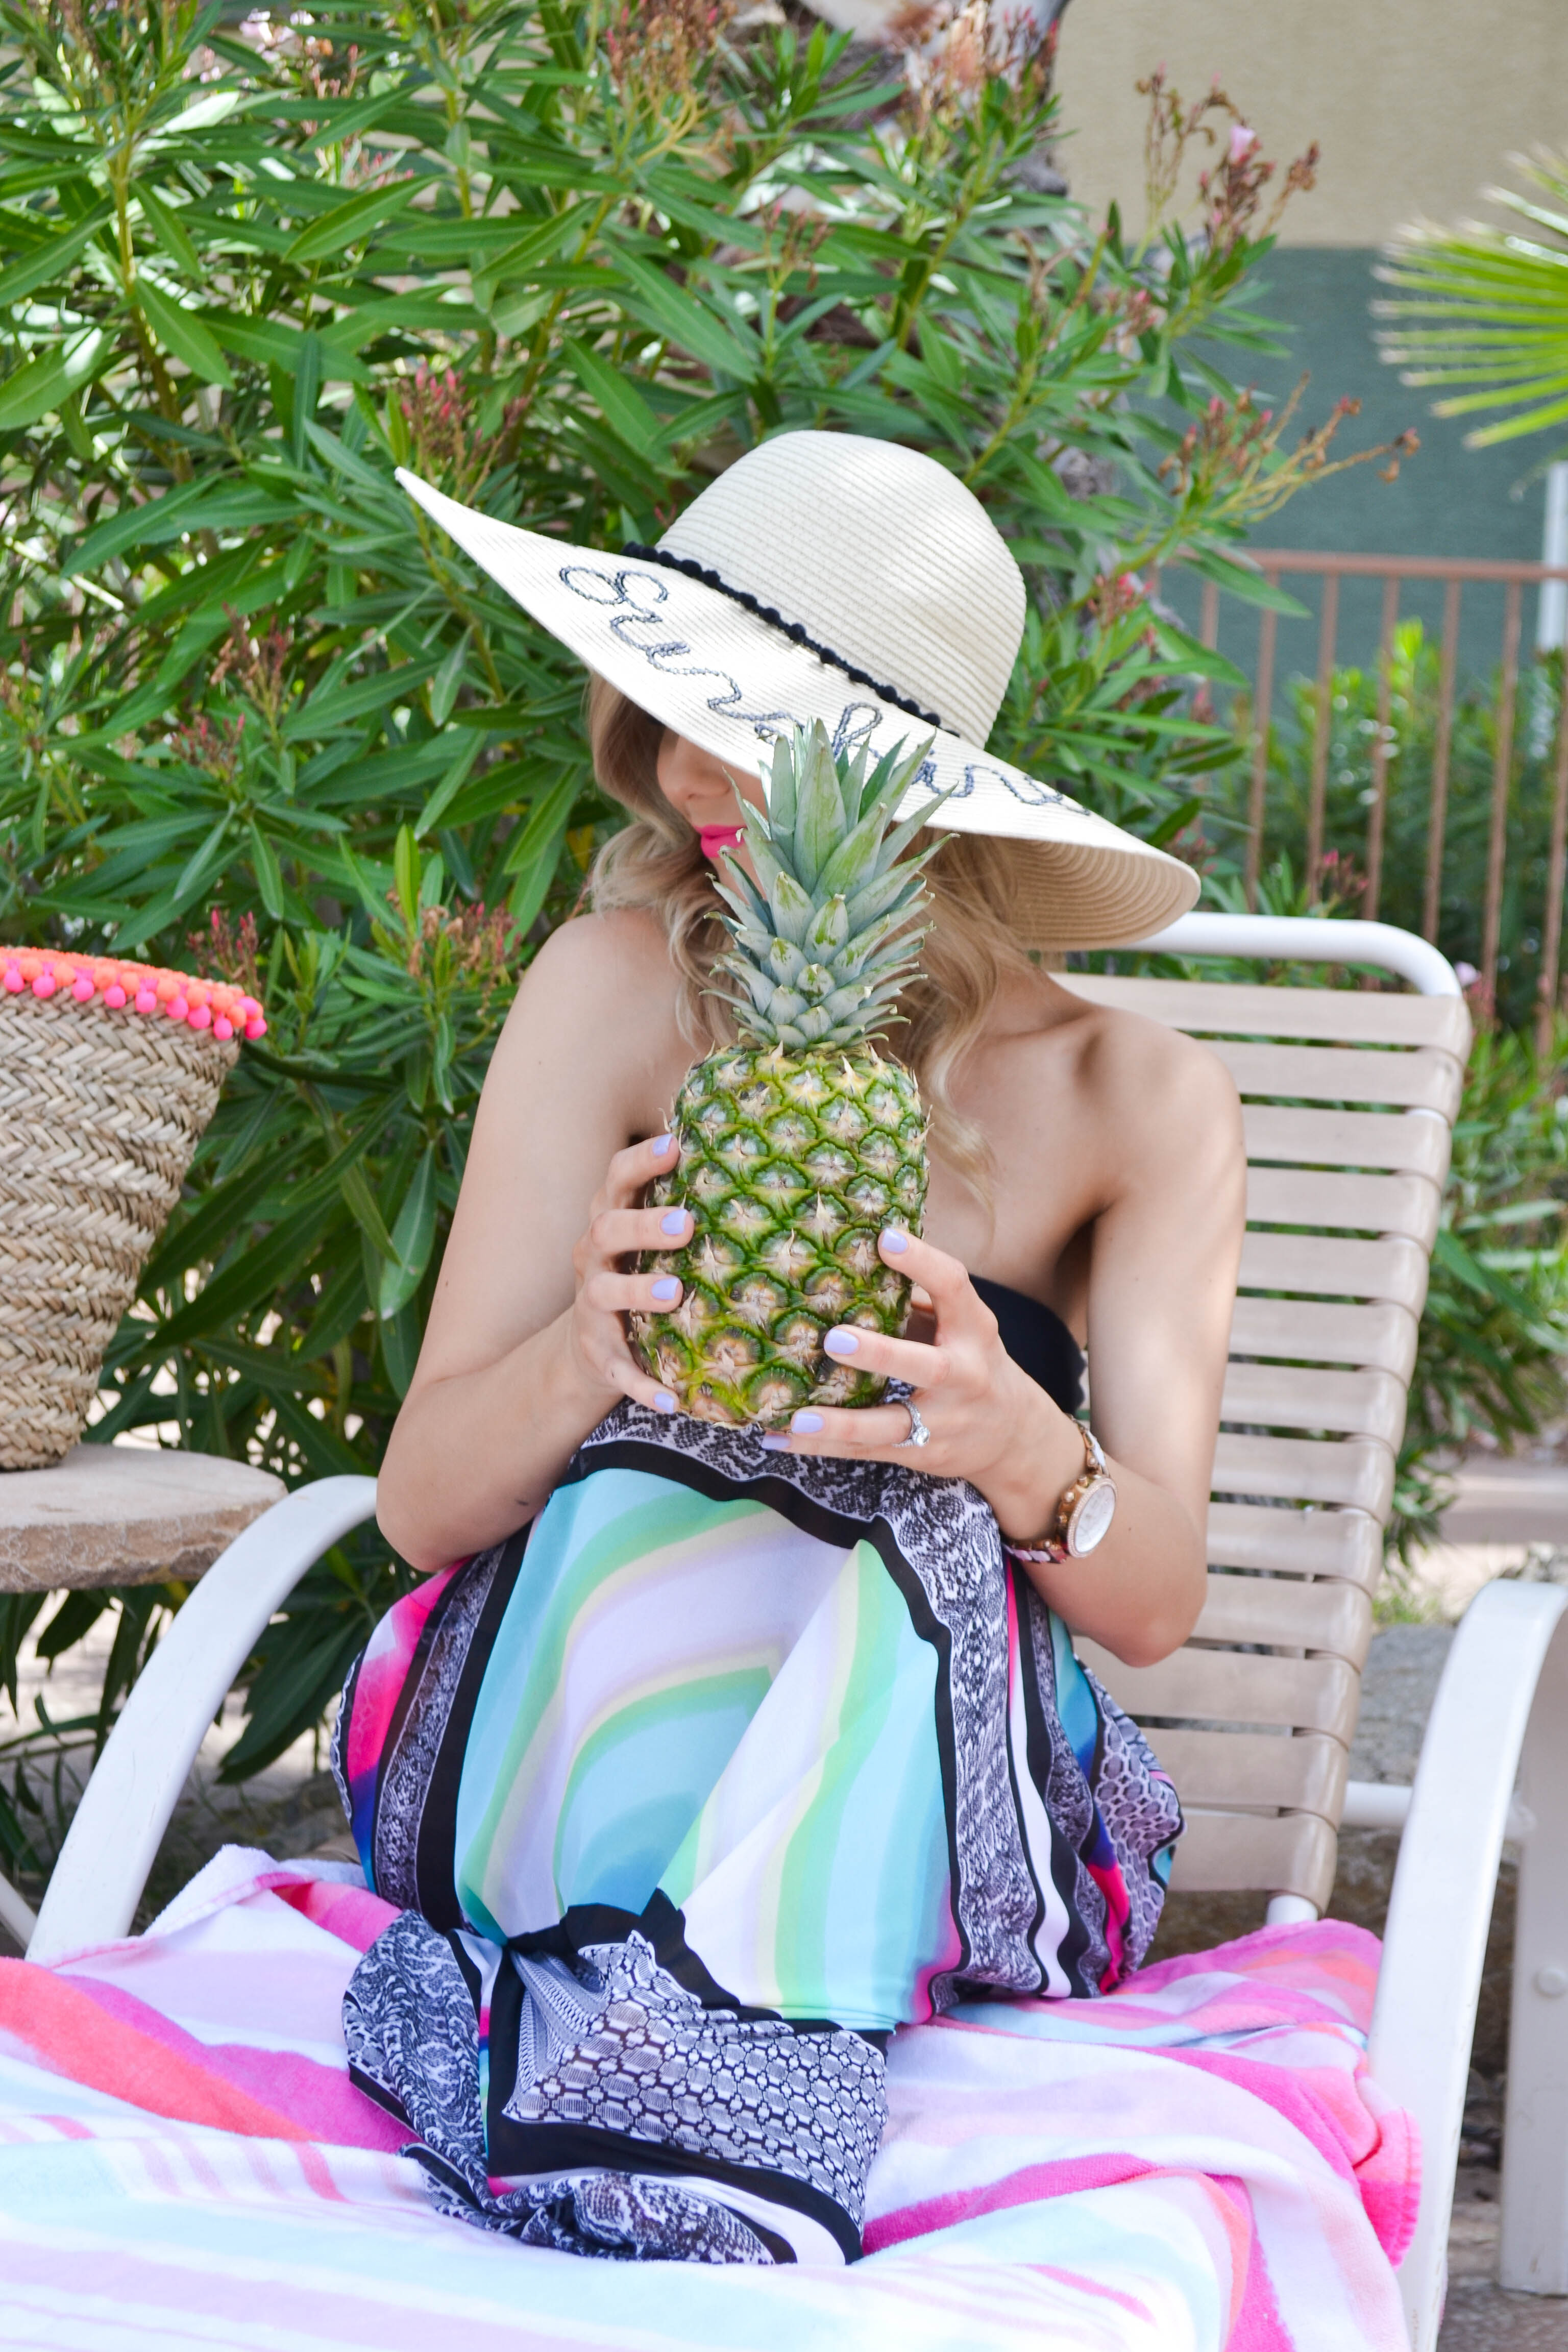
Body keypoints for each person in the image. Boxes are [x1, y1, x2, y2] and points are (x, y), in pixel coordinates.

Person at [335, 432, 1247, 2270]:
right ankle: (661, 2041)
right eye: (666, 704)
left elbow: (1154, 1601)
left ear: (919, 791)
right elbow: (425, 1510)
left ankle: (701, 2058)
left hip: (941, 1799)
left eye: (741, 717)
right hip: (573, 1761)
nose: (680, 770)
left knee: (897, 1529)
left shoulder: (1144, 1101)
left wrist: (1011, 1440)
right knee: (664, 1480)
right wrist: (591, 1350)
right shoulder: (610, 990)